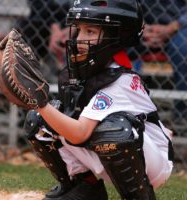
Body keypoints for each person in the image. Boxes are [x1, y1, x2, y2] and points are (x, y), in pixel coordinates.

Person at [24, 0, 174, 199]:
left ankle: (139, 195)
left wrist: (40, 103)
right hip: (113, 154)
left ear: (116, 35)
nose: (79, 39)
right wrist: (41, 109)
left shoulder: (120, 81)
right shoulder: (88, 72)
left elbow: (79, 133)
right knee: (40, 121)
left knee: (113, 130)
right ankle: (83, 188)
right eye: (79, 30)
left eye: (90, 32)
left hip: (152, 163)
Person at [129, 0, 187, 130]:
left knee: (183, 49)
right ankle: (124, 104)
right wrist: (139, 26)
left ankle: (181, 113)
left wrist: (173, 27)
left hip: (179, 26)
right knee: (114, 43)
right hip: (138, 24)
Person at [16, 0, 72, 83]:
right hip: (45, 20)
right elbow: (38, 5)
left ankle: (63, 72)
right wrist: (54, 26)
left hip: (79, 20)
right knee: (28, 27)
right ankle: (29, 77)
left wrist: (73, 27)